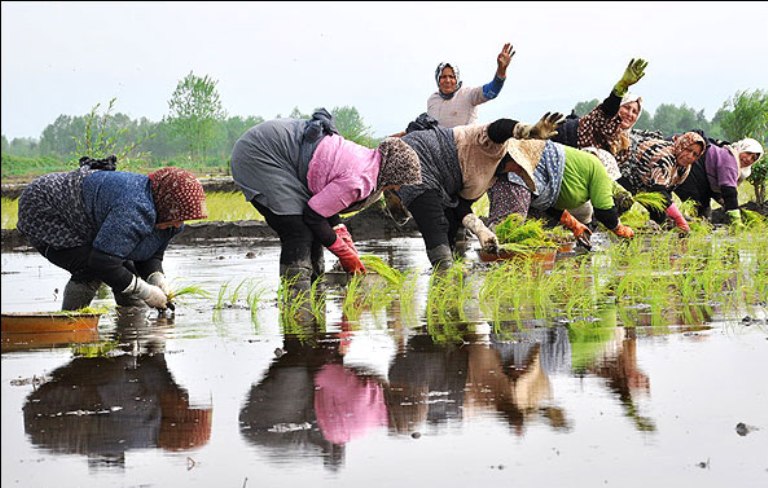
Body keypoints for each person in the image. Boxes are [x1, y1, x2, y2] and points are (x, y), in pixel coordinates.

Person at [230, 108, 422, 292]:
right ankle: (297, 299)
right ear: (394, 173)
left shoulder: (370, 161)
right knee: (298, 231)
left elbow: (327, 205)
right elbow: (313, 215)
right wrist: (345, 255)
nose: (397, 188)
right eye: (400, 182)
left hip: (281, 150)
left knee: (314, 234)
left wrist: (343, 238)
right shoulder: (360, 181)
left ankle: (314, 293)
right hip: (260, 154)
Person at [17, 161, 207, 311]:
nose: (177, 224)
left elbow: (150, 254)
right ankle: (72, 326)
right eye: (176, 217)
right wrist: (146, 292)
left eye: (182, 219)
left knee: (126, 270)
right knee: (90, 269)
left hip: (86, 214)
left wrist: (156, 278)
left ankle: (131, 329)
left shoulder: (170, 221)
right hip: (46, 206)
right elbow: (103, 263)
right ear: (165, 203)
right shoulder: (135, 208)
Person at [387, 111, 565, 270]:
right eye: (520, 167)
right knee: (435, 222)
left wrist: (481, 231)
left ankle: (447, 272)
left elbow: (460, 206)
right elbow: (499, 127)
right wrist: (528, 131)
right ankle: (444, 274)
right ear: (513, 157)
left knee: (450, 222)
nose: (518, 172)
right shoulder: (493, 147)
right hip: (420, 153)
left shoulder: (490, 179)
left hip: (442, 181)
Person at [548, 58, 648, 224]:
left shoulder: (624, 144)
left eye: (634, 112)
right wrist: (621, 87)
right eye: (626, 107)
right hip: (560, 156)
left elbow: (611, 177)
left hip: (580, 176)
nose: (629, 114)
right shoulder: (601, 120)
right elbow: (608, 109)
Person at [487, 139, 636, 247]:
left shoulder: (575, 174)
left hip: (515, 175)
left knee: (515, 236)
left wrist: (574, 225)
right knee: (509, 236)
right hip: (518, 172)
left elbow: (546, 203)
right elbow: (605, 211)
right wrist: (621, 229)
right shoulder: (599, 169)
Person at [616, 131, 706, 233]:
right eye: (688, 150)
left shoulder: (685, 167)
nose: (690, 156)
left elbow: (667, 190)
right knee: (622, 203)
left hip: (648, 182)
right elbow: (659, 191)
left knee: (660, 215)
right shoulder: (664, 158)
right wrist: (679, 219)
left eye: (695, 154)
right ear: (682, 145)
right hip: (627, 172)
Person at [673, 135, 764, 226]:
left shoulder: (736, 166)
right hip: (691, 171)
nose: (748, 159)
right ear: (742, 148)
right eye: (748, 153)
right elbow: (728, 191)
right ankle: (676, 222)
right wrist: (736, 219)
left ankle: (689, 225)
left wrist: (729, 206)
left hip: (702, 178)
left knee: (704, 214)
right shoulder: (730, 159)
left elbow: (718, 190)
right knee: (697, 205)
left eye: (753, 158)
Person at [427, 43, 515, 128]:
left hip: (465, 142)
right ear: (438, 79)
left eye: (451, 77)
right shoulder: (432, 100)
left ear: (457, 79)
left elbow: (492, 91)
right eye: (443, 77)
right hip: (438, 142)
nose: (448, 80)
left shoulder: (468, 94)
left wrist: (501, 70)